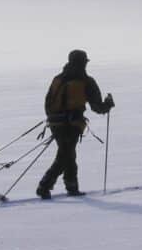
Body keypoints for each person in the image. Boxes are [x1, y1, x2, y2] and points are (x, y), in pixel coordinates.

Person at [36, 49, 114, 198]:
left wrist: (54, 119)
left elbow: (48, 102)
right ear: (83, 62)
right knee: (65, 156)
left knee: (68, 154)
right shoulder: (86, 81)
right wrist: (108, 104)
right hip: (72, 124)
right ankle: (44, 186)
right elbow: (97, 107)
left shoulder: (58, 78)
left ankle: (71, 186)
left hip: (55, 123)